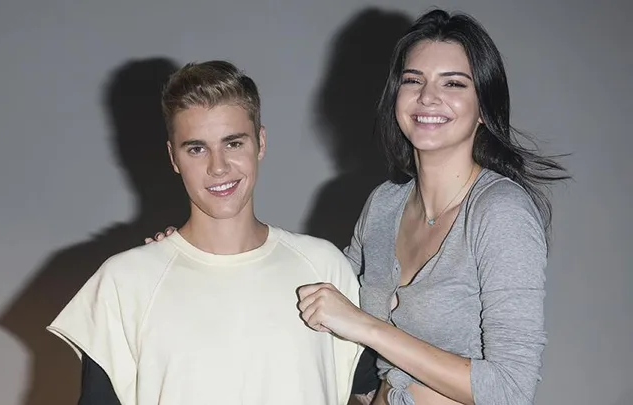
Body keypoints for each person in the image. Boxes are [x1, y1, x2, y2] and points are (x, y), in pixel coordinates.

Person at [47, 60, 363, 405]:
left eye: (233, 143)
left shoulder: (324, 267)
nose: (218, 166)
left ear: (260, 142)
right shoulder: (124, 283)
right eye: (197, 148)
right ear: (173, 158)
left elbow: (386, 393)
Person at [296, 9, 568, 405]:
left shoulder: (500, 212)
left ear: (483, 107)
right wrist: (193, 247)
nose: (428, 97)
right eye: (413, 80)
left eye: (453, 83)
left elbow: (511, 388)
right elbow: (325, 294)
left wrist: (367, 328)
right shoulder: (384, 205)